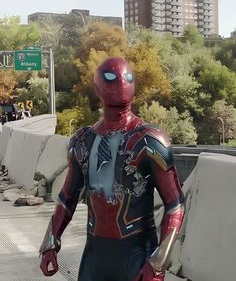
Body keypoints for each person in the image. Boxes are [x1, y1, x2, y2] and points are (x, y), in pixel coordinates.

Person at [39, 57, 184, 281]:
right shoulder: (82, 140)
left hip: (136, 252)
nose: (120, 83)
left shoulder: (150, 140)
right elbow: (67, 196)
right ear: (97, 86)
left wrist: (158, 261)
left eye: (127, 77)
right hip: (95, 253)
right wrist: (50, 241)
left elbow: (175, 205)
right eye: (110, 77)